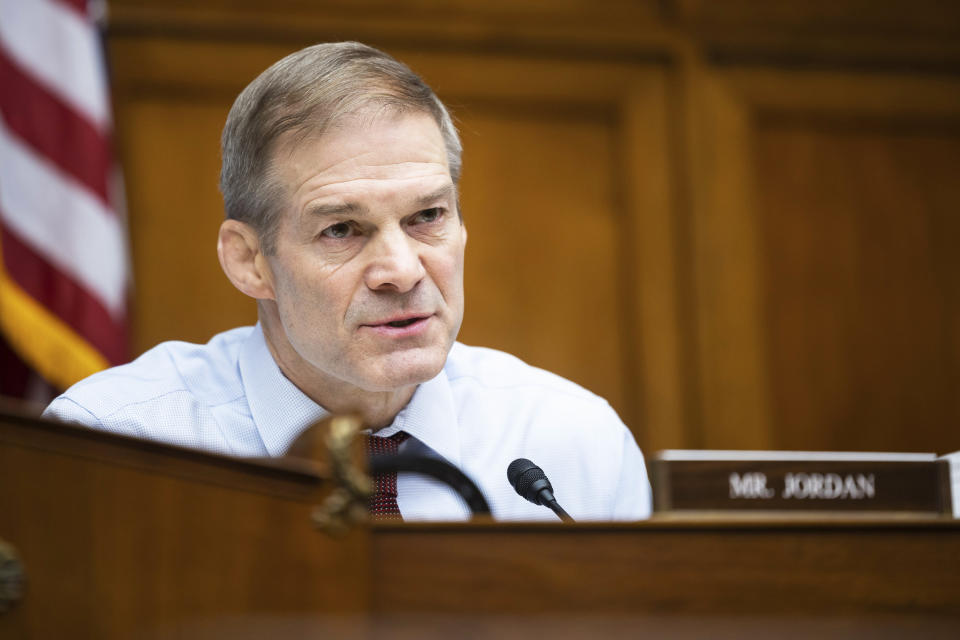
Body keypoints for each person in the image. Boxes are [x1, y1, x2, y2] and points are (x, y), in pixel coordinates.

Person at [43, 42, 652, 521]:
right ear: (249, 261)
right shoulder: (118, 446)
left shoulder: (571, 439)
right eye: (341, 230)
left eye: (427, 217)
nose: (402, 270)